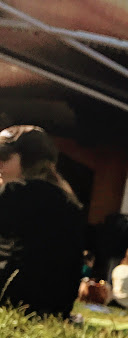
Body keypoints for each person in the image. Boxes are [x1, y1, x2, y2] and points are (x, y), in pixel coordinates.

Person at [0, 125, 84, 317]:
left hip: (13, 299)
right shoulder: (70, 202)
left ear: (29, 160)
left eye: (4, 158)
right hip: (55, 307)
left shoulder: (14, 192)